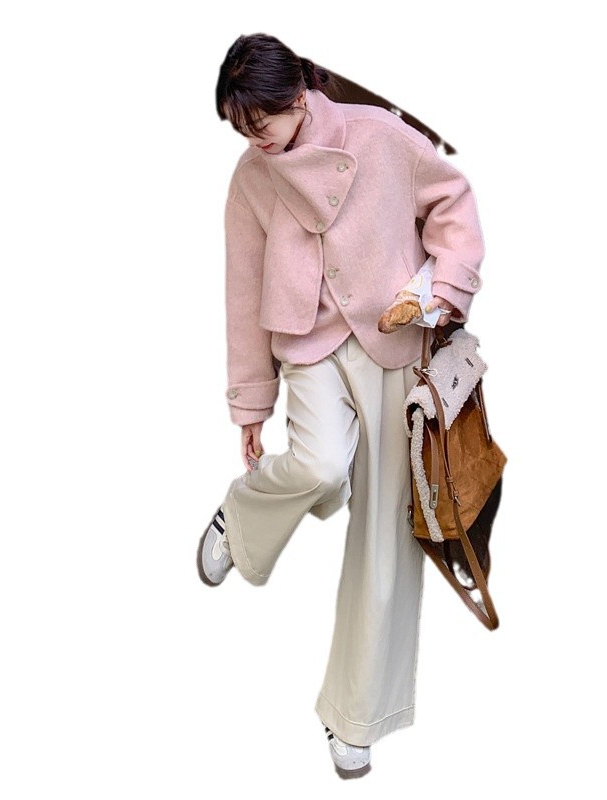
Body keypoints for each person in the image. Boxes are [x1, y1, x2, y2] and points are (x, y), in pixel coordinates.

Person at [197, 32, 486, 779]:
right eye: (239, 129)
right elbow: (241, 290)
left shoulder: (380, 136)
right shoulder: (251, 178)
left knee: (388, 530)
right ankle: (241, 515)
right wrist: (250, 403)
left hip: (392, 338)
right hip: (306, 342)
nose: (253, 141)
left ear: (298, 98)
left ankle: (356, 716)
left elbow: (452, 202)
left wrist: (442, 290)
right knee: (320, 465)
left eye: (260, 123)